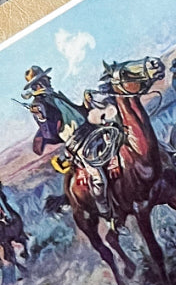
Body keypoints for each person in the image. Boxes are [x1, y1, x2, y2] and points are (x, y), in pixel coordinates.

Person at [23, 63, 120, 225]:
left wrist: (86, 103)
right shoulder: (39, 105)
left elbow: (77, 112)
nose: (49, 79)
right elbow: (49, 133)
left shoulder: (56, 96)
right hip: (78, 142)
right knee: (98, 177)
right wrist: (42, 117)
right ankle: (108, 214)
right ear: (38, 84)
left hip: (91, 129)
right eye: (45, 79)